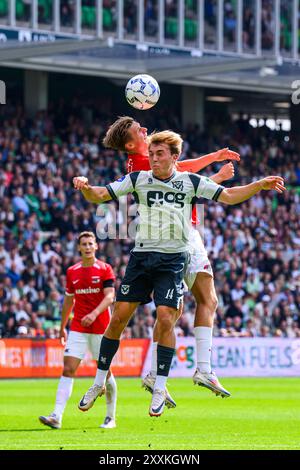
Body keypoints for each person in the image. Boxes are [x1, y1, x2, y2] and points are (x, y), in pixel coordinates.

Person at [73, 131, 285, 417]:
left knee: (166, 317)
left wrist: (258, 185)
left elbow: (229, 196)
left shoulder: (190, 182)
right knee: (119, 317)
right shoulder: (138, 179)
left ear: (174, 158)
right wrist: (85, 187)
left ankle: (160, 386)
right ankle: (98, 382)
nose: (153, 159)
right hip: (141, 258)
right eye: (151, 154)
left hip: (173, 260)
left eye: (159, 155)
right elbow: (100, 194)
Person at [102, 116, 240, 402]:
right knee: (190, 305)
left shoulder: (147, 157)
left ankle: (162, 373)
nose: (145, 130)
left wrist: (213, 165)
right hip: (176, 238)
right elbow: (186, 176)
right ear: (131, 144)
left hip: (181, 234)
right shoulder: (143, 166)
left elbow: (184, 174)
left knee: (180, 309)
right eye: (139, 130)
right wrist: (215, 168)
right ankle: (200, 369)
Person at [38, 231, 117, 429]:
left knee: (105, 373)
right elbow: (68, 301)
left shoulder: (105, 269)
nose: (88, 247)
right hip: (78, 328)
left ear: (96, 247)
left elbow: (110, 297)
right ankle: (57, 415)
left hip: (101, 330)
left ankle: (110, 417)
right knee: (68, 369)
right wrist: (62, 326)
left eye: (91, 243)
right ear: (79, 248)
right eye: (84, 244)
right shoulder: (72, 271)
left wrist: (95, 313)